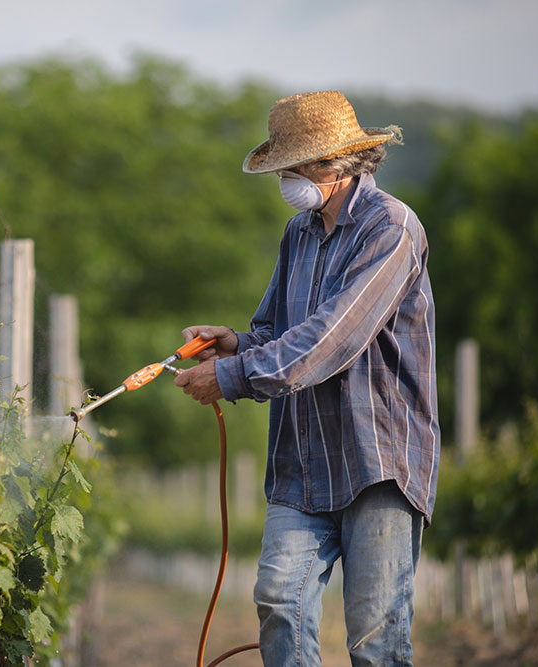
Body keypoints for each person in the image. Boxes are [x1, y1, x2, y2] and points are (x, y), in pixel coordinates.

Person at [174, 90, 440, 667]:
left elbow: (332, 338)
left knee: (375, 638)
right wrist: (236, 345)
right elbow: (275, 330)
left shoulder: (390, 227)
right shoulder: (299, 233)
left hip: (378, 462)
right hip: (303, 461)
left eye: (291, 167)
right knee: (278, 601)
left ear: (332, 163)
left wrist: (233, 376)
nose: (285, 180)